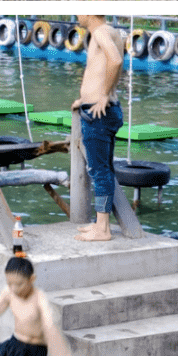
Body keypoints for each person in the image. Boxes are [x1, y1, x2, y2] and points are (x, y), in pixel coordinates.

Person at [72, 14, 124, 242]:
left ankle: (102, 229)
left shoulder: (101, 31)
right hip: (105, 108)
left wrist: (100, 95)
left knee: (98, 170)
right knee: (104, 169)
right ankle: (100, 223)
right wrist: (83, 98)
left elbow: (115, 61)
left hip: (98, 113)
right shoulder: (112, 31)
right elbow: (101, 68)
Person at [0, 256, 75, 356]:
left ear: (31, 279)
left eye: (19, 284)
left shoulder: (39, 298)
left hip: (33, 351)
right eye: (10, 284)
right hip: (15, 343)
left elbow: (50, 328)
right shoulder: (9, 292)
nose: (14, 289)